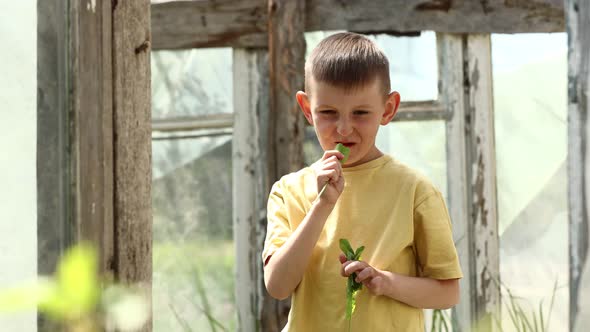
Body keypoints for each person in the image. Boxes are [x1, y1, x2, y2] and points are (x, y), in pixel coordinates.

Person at [262, 32, 462, 331]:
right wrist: (322, 205)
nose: (344, 128)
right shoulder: (288, 191)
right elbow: (277, 287)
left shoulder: (414, 190)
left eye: (360, 113)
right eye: (328, 113)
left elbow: (448, 292)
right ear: (306, 109)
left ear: (388, 109)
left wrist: (386, 282)